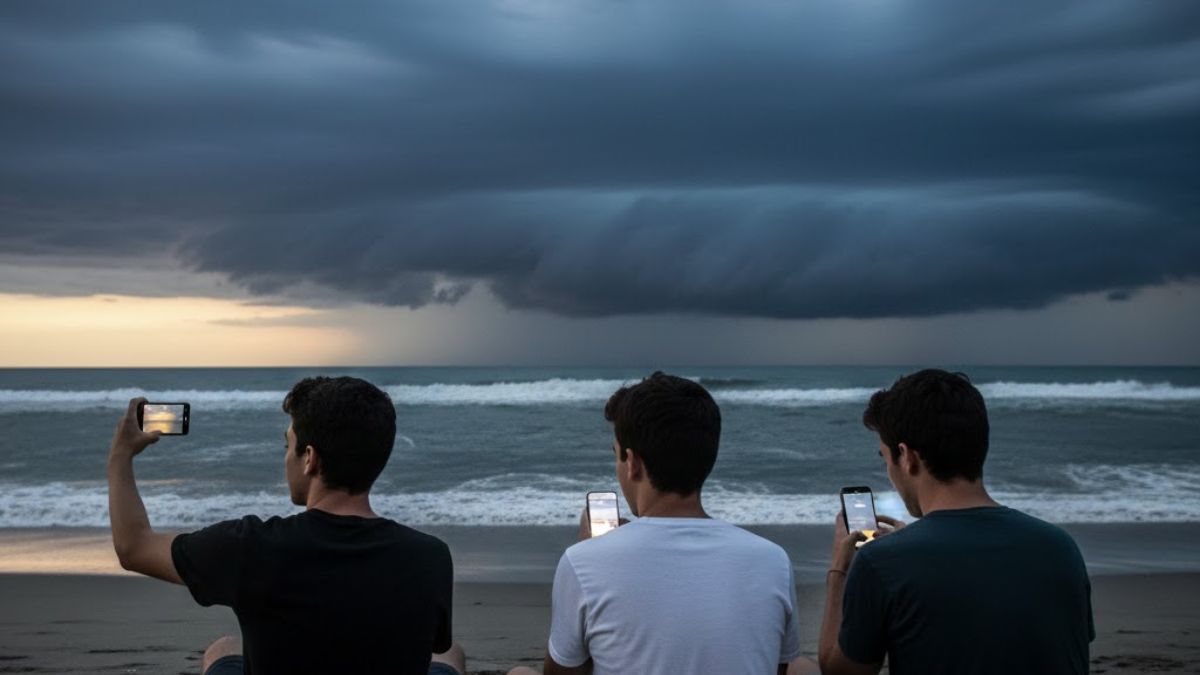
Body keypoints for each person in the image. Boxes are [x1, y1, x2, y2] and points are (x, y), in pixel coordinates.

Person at [106, 376, 463, 675]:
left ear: (309, 459)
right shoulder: (430, 557)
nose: (285, 457)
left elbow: (133, 546)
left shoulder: (250, 547)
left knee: (224, 648)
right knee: (451, 655)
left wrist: (120, 456)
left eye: (288, 445)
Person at [511, 371, 819, 675]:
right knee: (803, 666)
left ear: (632, 463)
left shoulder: (582, 561)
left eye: (616, 455)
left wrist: (592, 551)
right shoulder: (773, 559)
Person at [819, 369, 1094, 675]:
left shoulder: (881, 563)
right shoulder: (1060, 548)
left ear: (906, 457)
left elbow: (839, 673)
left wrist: (839, 571)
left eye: (884, 459)